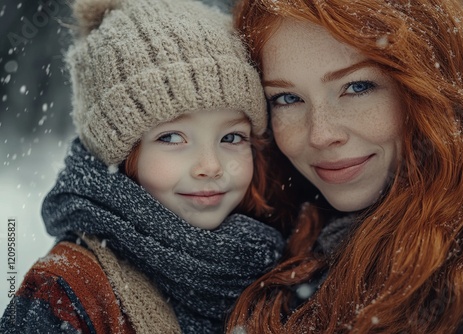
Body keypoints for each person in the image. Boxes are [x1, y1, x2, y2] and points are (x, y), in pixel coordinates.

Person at [0, 0, 285, 333]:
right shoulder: (70, 289)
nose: (210, 166)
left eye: (232, 137)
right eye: (172, 137)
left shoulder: (269, 261)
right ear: (120, 153)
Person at [227, 0, 463, 333]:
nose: (321, 135)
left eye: (357, 87)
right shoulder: (278, 227)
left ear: (427, 86)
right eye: (287, 98)